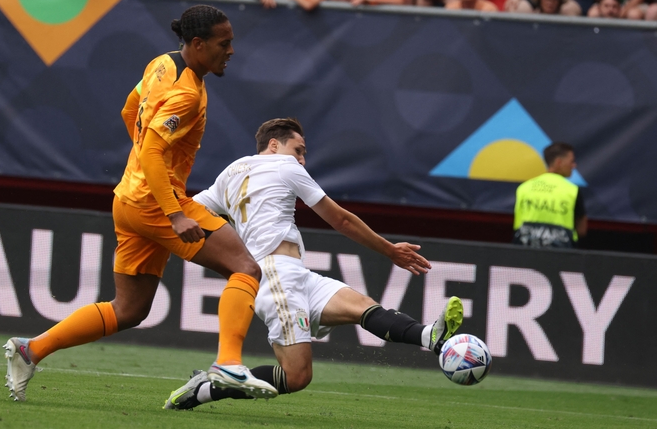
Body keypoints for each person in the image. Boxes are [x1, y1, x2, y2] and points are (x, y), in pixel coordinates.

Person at [3, 5, 277, 403]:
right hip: (155, 203)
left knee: (130, 308)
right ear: (198, 44)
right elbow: (151, 150)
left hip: (128, 199)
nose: (231, 50)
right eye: (224, 43)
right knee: (246, 268)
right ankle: (228, 364)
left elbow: (130, 109)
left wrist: (145, 163)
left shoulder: (161, 63)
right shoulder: (186, 94)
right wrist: (174, 213)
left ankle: (31, 350)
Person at [162, 118, 465, 409]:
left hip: (293, 275)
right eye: (299, 150)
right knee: (297, 376)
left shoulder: (230, 173)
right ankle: (206, 389)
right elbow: (341, 220)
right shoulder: (285, 166)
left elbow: (190, 210)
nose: (302, 159)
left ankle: (430, 336)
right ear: (274, 145)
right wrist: (390, 251)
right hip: (276, 277)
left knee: (362, 307)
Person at [513, 142, 587, 248]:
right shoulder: (572, 190)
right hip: (560, 252)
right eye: (571, 161)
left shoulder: (524, 188)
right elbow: (582, 230)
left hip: (524, 249)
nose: (574, 165)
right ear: (559, 162)